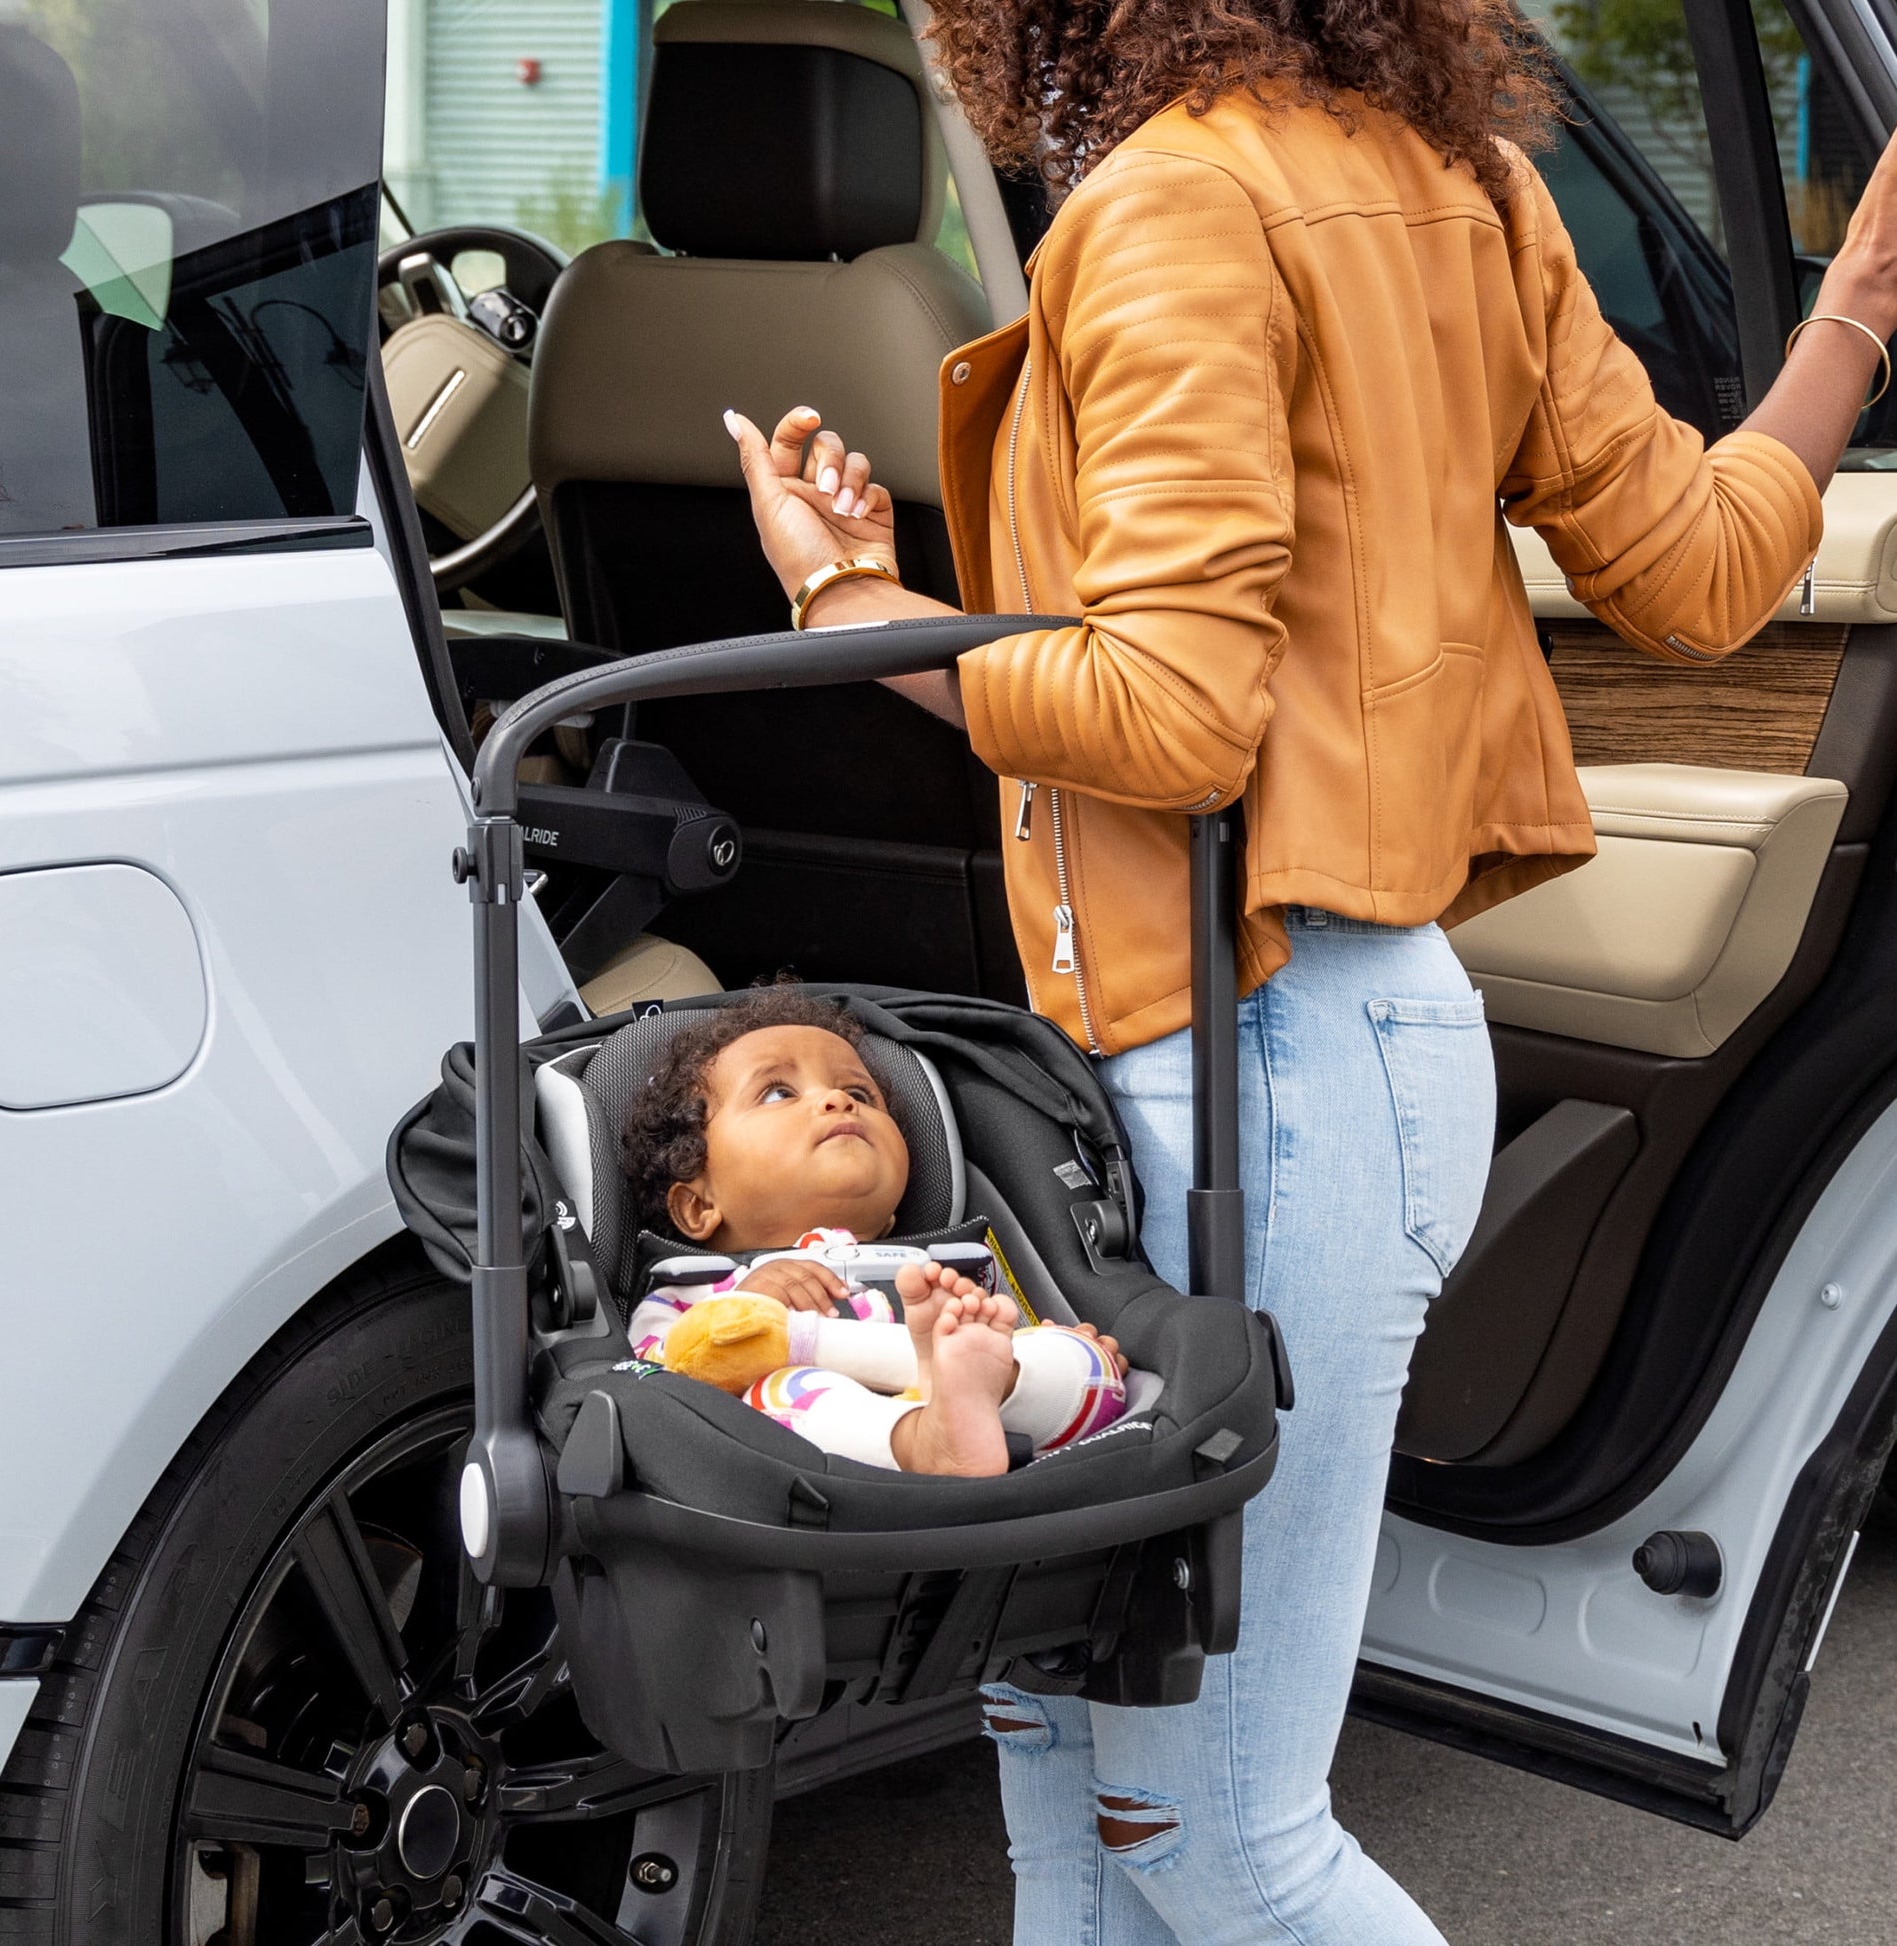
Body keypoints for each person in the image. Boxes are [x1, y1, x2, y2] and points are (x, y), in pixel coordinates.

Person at [718, 0, 1897, 1934]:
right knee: (1060, 1758)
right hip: (1311, 1043)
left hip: (1243, 1067)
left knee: (1210, 1829)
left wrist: (853, 602)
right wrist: (1850, 303)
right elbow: (1696, 570)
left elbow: (1175, 718)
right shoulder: (1471, 187)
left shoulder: (1172, 206)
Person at [619, 986, 1129, 1475]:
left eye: (859, 1091)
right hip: (823, 1460)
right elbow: (660, 1389)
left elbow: (1013, 1338)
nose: (837, 1100)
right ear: (698, 1206)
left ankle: (964, 1393)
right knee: (783, 1392)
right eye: (778, 1092)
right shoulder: (691, 1289)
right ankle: (922, 1441)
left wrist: (1035, 1355)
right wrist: (745, 1313)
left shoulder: (944, 1269)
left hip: (971, 1402)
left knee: (1078, 1357)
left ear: (889, 1217)